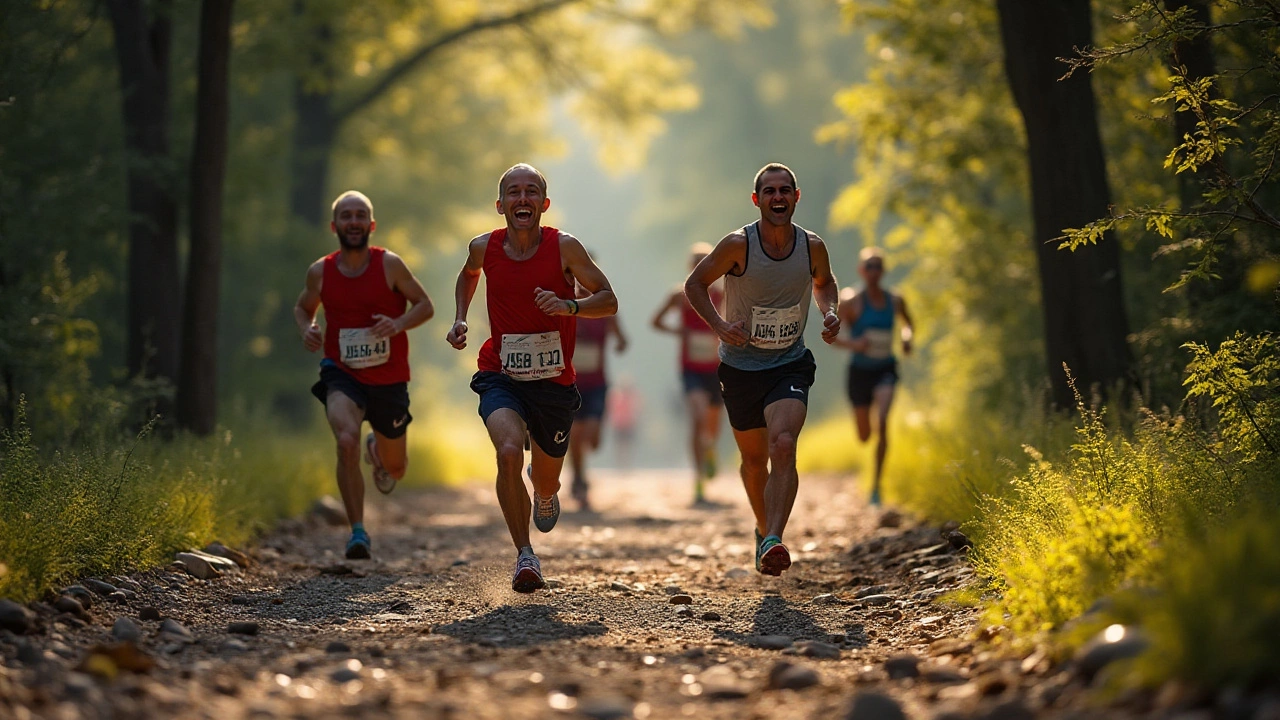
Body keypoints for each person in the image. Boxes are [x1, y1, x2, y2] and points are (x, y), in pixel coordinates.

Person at [446, 163, 618, 593]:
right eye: (513, 192)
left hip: (554, 382)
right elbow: (468, 275)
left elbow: (608, 300)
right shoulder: (484, 247)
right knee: (507, 451)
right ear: (500, 204)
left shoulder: (566, 248)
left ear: (543, 204)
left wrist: (569, 307)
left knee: (545, 478)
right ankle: (525, 555)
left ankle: (545, 491)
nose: (522, 198)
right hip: (500, 372)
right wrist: (460, 318)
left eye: (531, 192)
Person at [684, 163, 841, 576]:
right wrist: (719, 326)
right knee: (754, 463)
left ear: (796, 196)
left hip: (789, 363)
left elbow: (824, 282)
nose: (777, 197)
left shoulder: (812, 247)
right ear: (756, 200)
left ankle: (774, 537)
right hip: (739, 369)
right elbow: (695, 284)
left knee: (783, 444)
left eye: (784, 190)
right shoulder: (739, 245)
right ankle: (761, 528)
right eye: (769, 191)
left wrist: (829, 312)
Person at [294, 190, 434, 559]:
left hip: (389, 380)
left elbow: (425, 305)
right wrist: (307, 328)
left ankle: (378, 449)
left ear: (371, 225)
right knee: (345, 440)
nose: (353, 222)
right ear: (334, 225)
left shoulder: (389, 265)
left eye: (360, 216)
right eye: (346, 216)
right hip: (342, 373)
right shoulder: (320, 271)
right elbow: (303, 307)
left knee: (397, 469)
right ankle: (357, 531)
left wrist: (399, 322)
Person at [835, 247, 914, 506]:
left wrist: (906, 339)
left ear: (884, 270)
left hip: (885, 369)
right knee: (864, 435)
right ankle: (873, 479)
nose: (874, 271)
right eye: (869, 266)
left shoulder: (895, 300)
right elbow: (833, 337)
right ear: (861, 270)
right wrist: (854, 344)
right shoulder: (851, 301)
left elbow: (908, 324)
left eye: (878, 266)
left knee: (882, 422)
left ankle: (876, 486)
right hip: (859, 373)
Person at [651, 242, 725, 504]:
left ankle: (710, 450)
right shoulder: (679, 296)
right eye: (695, 263)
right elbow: (655, 321)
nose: (699, 267)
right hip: (690, 368)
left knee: (713, 426)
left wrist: (723, 334)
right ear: (689, 267)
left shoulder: (721, 295)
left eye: (704, 263)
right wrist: (678, 332)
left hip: (716, 368)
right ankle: (698, 480)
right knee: (697, 417)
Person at [568, 291, 627, 511]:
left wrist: (620, 342)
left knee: (592, 439)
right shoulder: (564, 307)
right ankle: (579, 478)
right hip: (570, 384)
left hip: (597, 384)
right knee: (574, 434)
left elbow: (622, 339)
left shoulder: (605, 310)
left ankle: (580, 471)